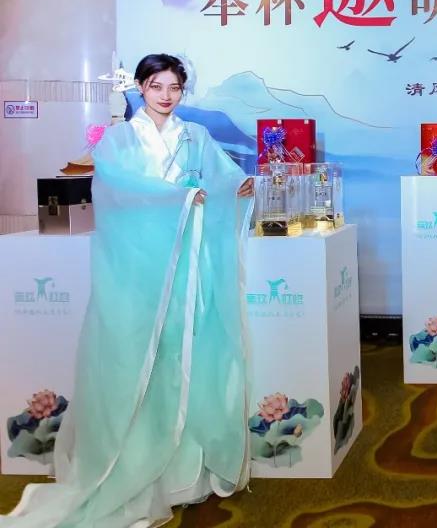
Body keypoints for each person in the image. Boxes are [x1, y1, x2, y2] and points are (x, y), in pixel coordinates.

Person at [2, 54, 255, 528]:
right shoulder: (119, 139)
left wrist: (237, 187)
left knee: (183, 353)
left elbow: (222, 176)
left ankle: (183, 471)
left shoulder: (194, 135)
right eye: (156, 86)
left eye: (174, 87)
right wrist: (178, 196)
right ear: (140, 87)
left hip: (186, 262)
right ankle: (133, 462)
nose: (165, 95)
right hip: (137, 266)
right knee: (136, 355)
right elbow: (117, 190)